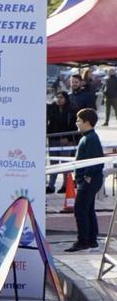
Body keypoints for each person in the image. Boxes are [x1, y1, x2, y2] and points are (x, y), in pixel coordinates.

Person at [67, 108, 105, 252]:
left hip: (89, 181)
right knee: (88, 210)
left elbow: (95, 160)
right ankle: (91, 240)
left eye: (79, 120)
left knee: (80, 210)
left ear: (87, 122)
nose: (77, 123)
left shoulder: (90, 138)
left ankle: (83, 241)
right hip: (88, 180)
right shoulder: (88, 137)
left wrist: (87, 177)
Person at [46, 91, 77, 193]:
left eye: (61, 97)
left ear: (66, 99)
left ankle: (66, 185)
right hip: (53, 139)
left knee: (65, 164)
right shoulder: (51, 108)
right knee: (53, 163)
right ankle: (51, 186)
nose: (59, 99)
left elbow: (73, 126)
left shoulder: (71, 109)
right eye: (57, 97)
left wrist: (68, 138)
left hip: (66, 141)